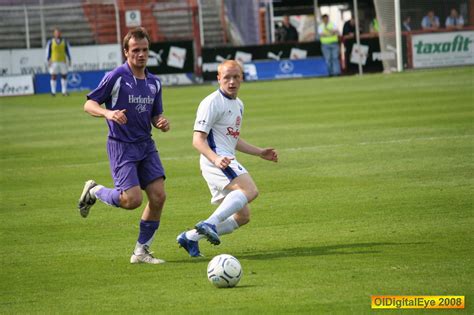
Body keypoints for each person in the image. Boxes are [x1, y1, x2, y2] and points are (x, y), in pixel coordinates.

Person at [77, 27, 170, 265]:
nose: (141, 54)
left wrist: (160, 122)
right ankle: (95, 190)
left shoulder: (154, 82)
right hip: (122, 146)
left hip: (146, 145)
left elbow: (155, 115)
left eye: (145, 50)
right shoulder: (117, 76)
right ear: (126, 52)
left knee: (158, 197)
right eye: (136, 50)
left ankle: (141, 251)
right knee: (132, 200)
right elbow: (89, 104)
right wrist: (108, 113)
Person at [176, 60, 278, 257]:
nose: (231, 82)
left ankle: (190, 237)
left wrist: (259, 152)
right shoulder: (211, 103)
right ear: (218, 79)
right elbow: (197, 140)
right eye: (227, 78)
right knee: (250, 190)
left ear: (242, 78)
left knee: (242, 216)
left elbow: (233, 138)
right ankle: (209, 224)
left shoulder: (238, 104)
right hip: (215, 160)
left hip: (223, 159)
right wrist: (215, 159)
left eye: (236, 77)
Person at [45, 28, 71, 96]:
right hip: (54, 61)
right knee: (53, 75)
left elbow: (67, 51)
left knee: (64, 75)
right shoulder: (51, 42)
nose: (57, 34)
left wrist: (69, 59)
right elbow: (48, 51)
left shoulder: (64, 41)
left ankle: (64, 91)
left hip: (63, 61)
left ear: (60, 33)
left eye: (58, 33)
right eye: (56, 33)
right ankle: (53, 92)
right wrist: (48, 59)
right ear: (54, 34)